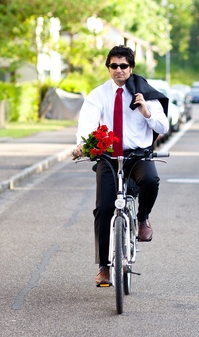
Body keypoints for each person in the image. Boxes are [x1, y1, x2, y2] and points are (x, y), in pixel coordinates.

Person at [71, 45, 169, 286]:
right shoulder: (98, 95)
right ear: (108, 68)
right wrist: (83, 144)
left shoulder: (143, 93)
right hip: (108, 157)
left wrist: (146, 111)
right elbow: (87, 124)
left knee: (151, 180)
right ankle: (104, 266)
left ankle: (143, 217)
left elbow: (163, 127)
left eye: (123, 66)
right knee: (103, 209)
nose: (118, 70)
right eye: (113, 66)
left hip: (137, 155)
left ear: (131, 68)